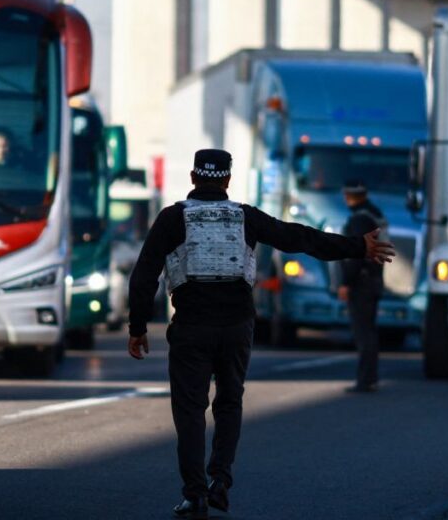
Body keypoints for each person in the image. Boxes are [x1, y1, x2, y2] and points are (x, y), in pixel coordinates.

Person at [127, 149, 394, 519]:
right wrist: (356, 247)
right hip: (238, 323)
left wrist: (137, 327)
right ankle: (220, 481)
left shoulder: (173, 218)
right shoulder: (245, 217)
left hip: (192, 324)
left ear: (192, 177)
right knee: (229, 402)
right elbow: (298, 238)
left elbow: (144, 275)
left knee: (190, 410)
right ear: (227, 180)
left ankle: (195, 494)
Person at [338, 180, 387, 394]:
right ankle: (371, 378)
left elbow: (355, 253)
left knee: (363, 333)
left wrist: (346, 282)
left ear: (349, 195)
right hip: (374, 279)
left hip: (362, 281)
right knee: (370, 331)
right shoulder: (375, 214)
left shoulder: (360, 219)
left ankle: (364, 380)